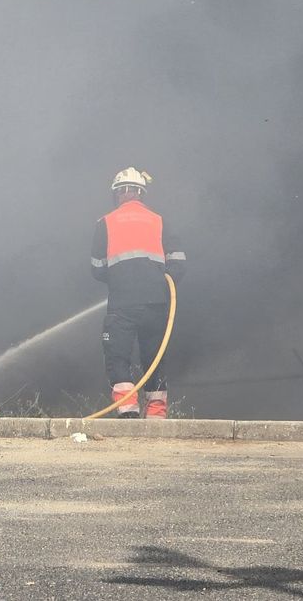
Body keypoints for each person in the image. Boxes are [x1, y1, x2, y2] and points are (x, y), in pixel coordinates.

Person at [91, 167, 185, 418]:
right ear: (141, 194)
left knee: (117, 355)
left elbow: (97, 268)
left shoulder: (105, 223)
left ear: (118, 194)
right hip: (156, 303)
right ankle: (156, 415)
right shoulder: (159, 221)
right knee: (154, 358)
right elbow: (178, 262)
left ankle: (128, 411)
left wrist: (121, 277)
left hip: (122, 304)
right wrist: (159, 281)